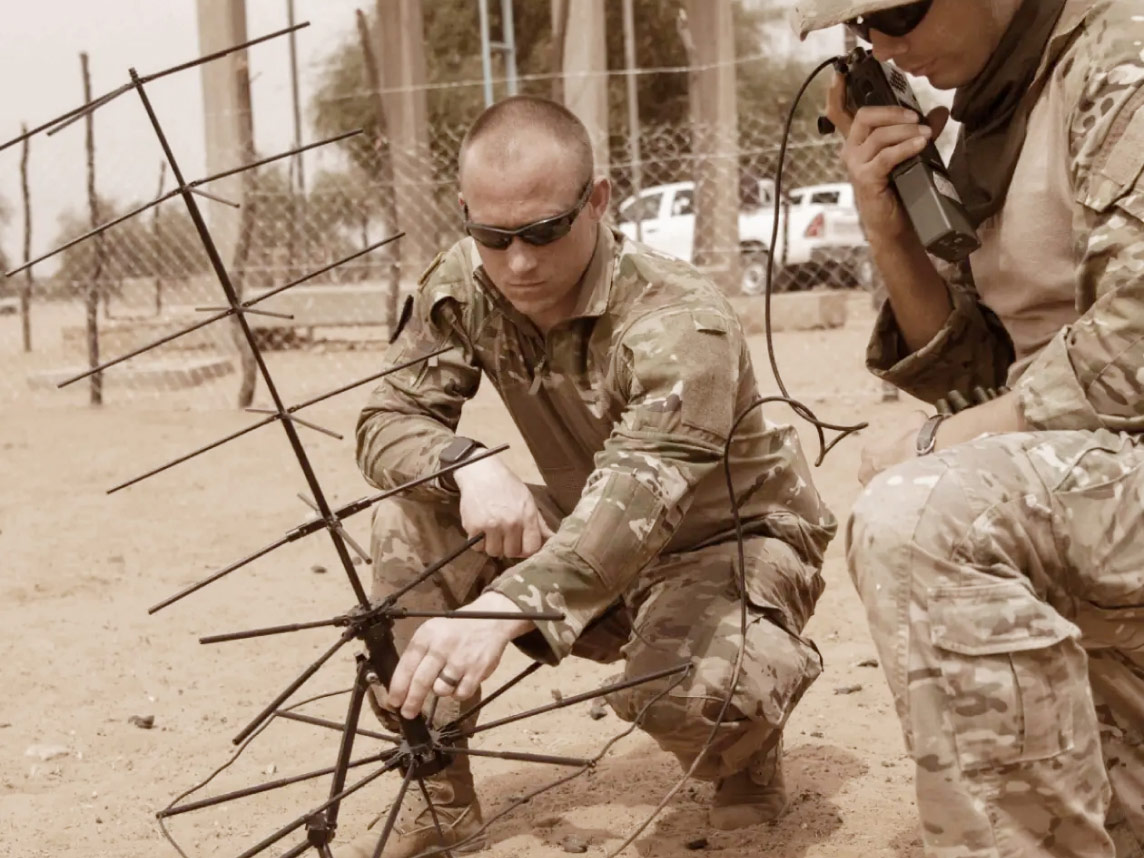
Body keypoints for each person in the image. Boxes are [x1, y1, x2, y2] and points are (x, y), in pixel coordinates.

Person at [337, 95, 837, 857]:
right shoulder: (465, 284)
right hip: (587, 526)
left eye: (544, 231)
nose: (520, 262)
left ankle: (744, 746)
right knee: (410, 520)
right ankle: (436, 786)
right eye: (493, 236)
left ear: (597, 202)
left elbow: (644, 492)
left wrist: (504, 608)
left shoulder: (678, 316)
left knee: (686, 691)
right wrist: (465, 464)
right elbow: (383, 422)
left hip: (727, 542)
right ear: (465, 213)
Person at [795, 0, 1144, 855]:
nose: (883, 46)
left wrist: (935, 444)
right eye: (861, 33)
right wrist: (888, 224)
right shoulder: (998, 102)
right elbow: (983, 378)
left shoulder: (1122, 63)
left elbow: (1134, 344)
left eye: (896, 14)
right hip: (1103, 482)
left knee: (922, 516)